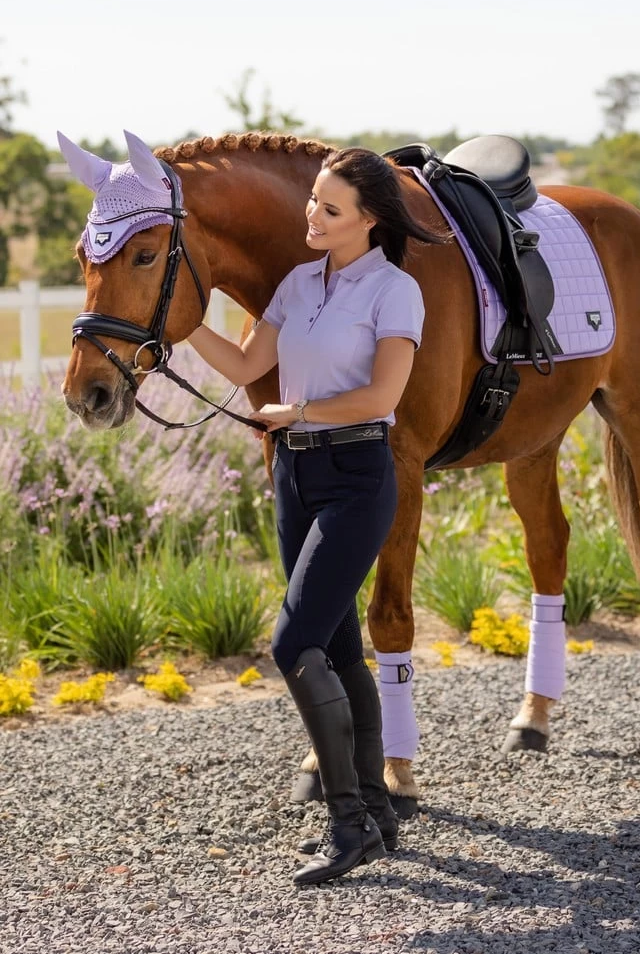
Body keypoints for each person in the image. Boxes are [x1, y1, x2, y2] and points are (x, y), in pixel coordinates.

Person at [187, 147, 445, 885]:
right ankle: (374, 811)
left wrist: (294, 409)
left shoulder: (394, 291)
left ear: (369, 219)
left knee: (292, 640)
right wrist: (179, 324)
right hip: (294, 473)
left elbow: (380, 398)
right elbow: (241, 367)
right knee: (334, 648)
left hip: (359, 473)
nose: (313, 215)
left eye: (330, 209)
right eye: (313, 203)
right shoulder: (299, 283)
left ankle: (347, 824)